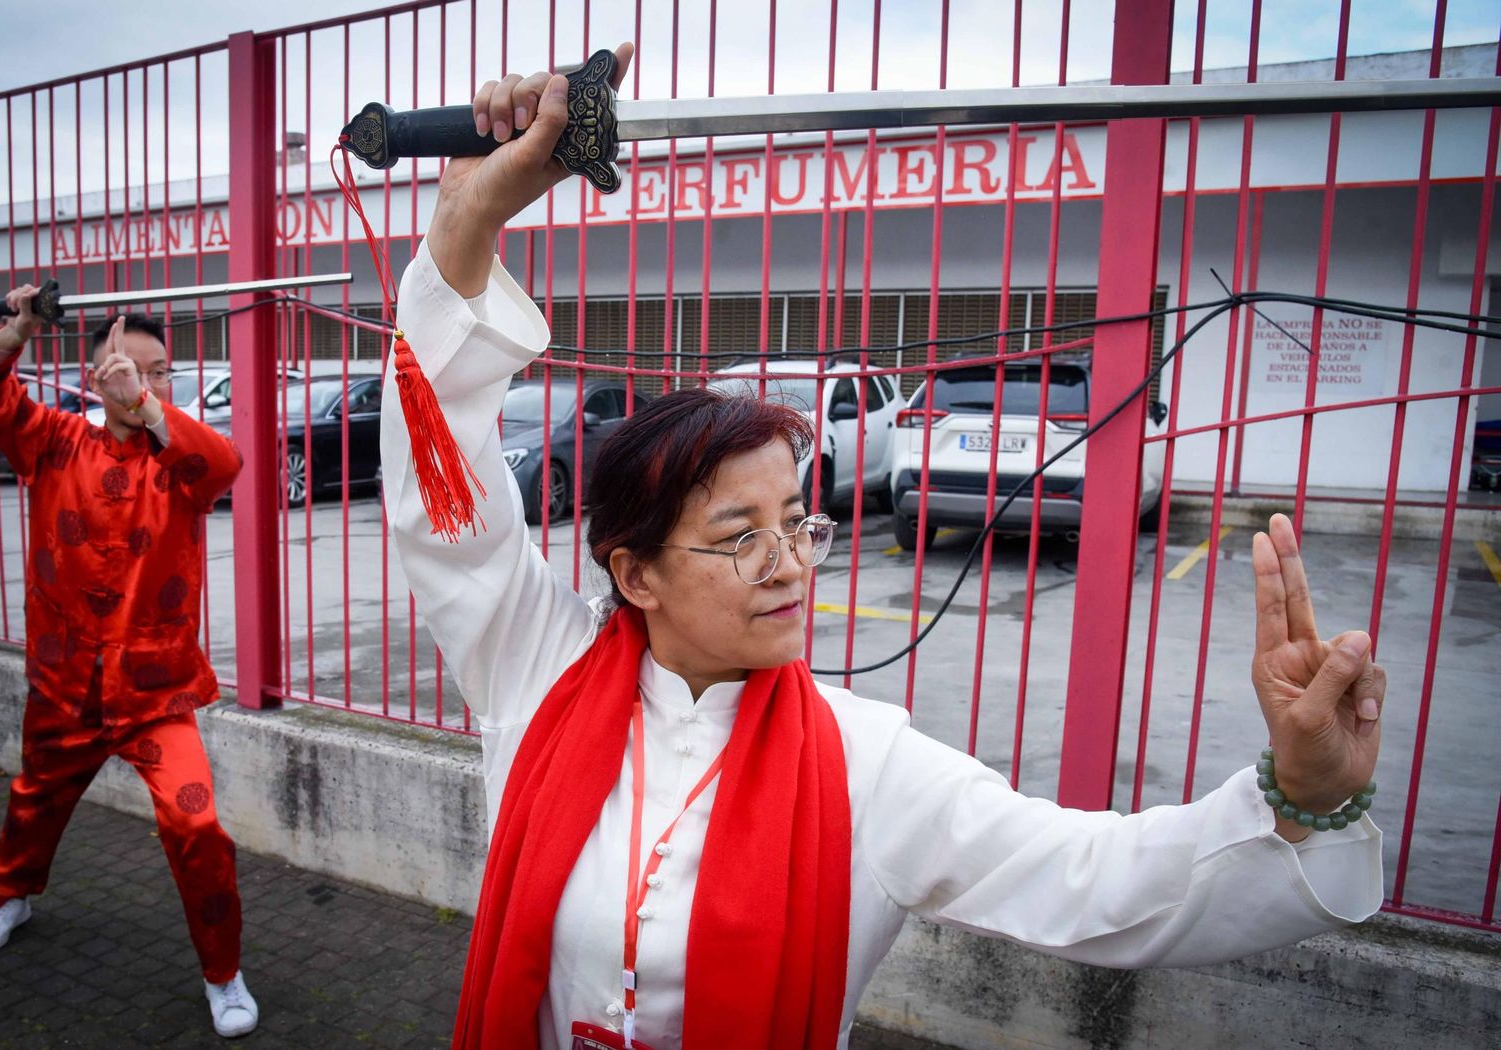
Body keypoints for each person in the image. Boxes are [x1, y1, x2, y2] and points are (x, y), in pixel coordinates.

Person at [381, 45, 1385, 1049]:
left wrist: (1300, 796)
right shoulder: (538, 674)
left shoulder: (866, 766)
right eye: (740, 538)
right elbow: (443, 499)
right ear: (632, 573)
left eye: (797, 525)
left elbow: (1099, 880)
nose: (791, 565)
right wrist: (467, 223)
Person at [0, 299, 260, 1038]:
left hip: (155, 692)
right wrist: (17, 331)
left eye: (157, 373)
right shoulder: (53, 442)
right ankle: (10, 895)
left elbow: (228, 465)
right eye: (125, 369)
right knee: (33, 800)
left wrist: (143, 407)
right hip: (64, 681)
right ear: (93, 373)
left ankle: (224, 973)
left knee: (196, 823)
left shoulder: (180, 461)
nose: (140, 382)